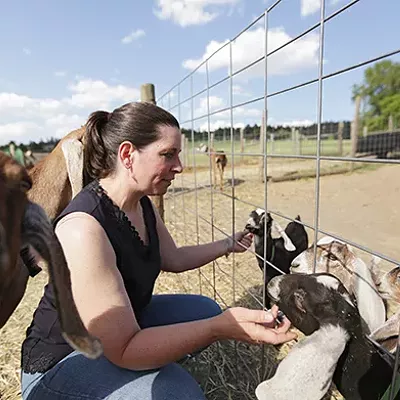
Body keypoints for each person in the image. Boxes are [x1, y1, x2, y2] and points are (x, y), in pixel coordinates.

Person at [20, 101, 297, 400]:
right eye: (168, 154)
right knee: (177, 393)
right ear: (127, 155)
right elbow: (125, 349)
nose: (179, 166)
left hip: (117, 331)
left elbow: (173, 258)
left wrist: (227, 245)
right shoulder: (81, 228)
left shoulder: (139, 204)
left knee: (203, 310)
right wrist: (218, 328)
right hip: (61, 363)